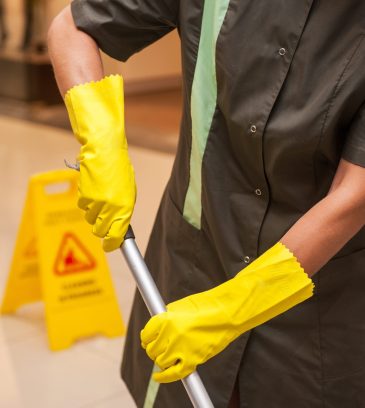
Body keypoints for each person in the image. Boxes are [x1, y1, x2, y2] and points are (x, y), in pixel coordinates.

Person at [47, 1, 365, 407]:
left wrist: (236, 307)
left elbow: (352, 196)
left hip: (318, 301)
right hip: (194, 262)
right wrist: (102, 140)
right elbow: (73, 28)